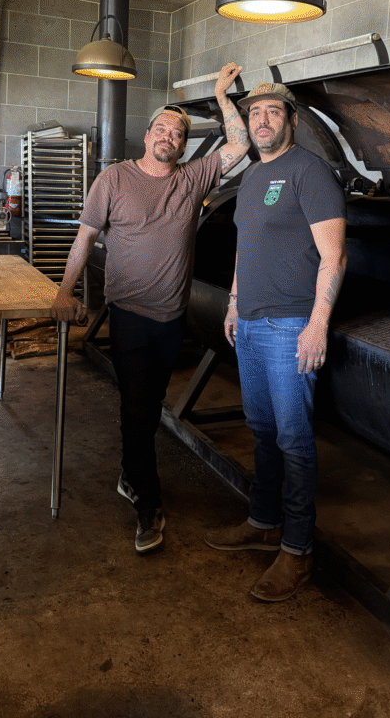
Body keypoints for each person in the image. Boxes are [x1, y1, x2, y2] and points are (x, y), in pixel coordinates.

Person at [51, 63, 249, 554]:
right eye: (161, 128)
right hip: (129, 316)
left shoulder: (193, 178)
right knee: (137, 409)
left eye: (177, 133)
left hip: (170, 320)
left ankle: (129, 473)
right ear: (147, 136)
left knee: (146, 407)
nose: (169, 136)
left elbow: (241, 145)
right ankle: (148, 505)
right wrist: (64, 291)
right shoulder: (114, 179)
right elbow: (85, 238)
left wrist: (222, 95)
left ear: (183, 146)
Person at [205, 81, 347, 602]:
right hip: (252, 324)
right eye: (254, 112)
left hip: (291, 325)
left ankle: (297, 551)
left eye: (272, 111)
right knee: (262, 431)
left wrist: (317, 324)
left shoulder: (309, 172)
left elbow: (334, 256)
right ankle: (263, 523)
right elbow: (246, 244)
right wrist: (235, 301)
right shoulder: (252, 178)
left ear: (290, 119)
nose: (262, 119)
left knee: (293, 440)